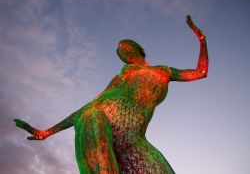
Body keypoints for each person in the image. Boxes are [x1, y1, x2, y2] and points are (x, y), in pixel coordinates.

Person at [15, 15, 208, 174]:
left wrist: (202, 40)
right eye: (119, 49)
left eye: (124, 46)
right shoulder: (121, 77)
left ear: (138, 49)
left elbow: (201, 72)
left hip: (134, 140)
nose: (121, 48)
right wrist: (48, 132)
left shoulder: (164, 71)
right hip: (101, 122)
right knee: (90, 114)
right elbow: (91, 105)